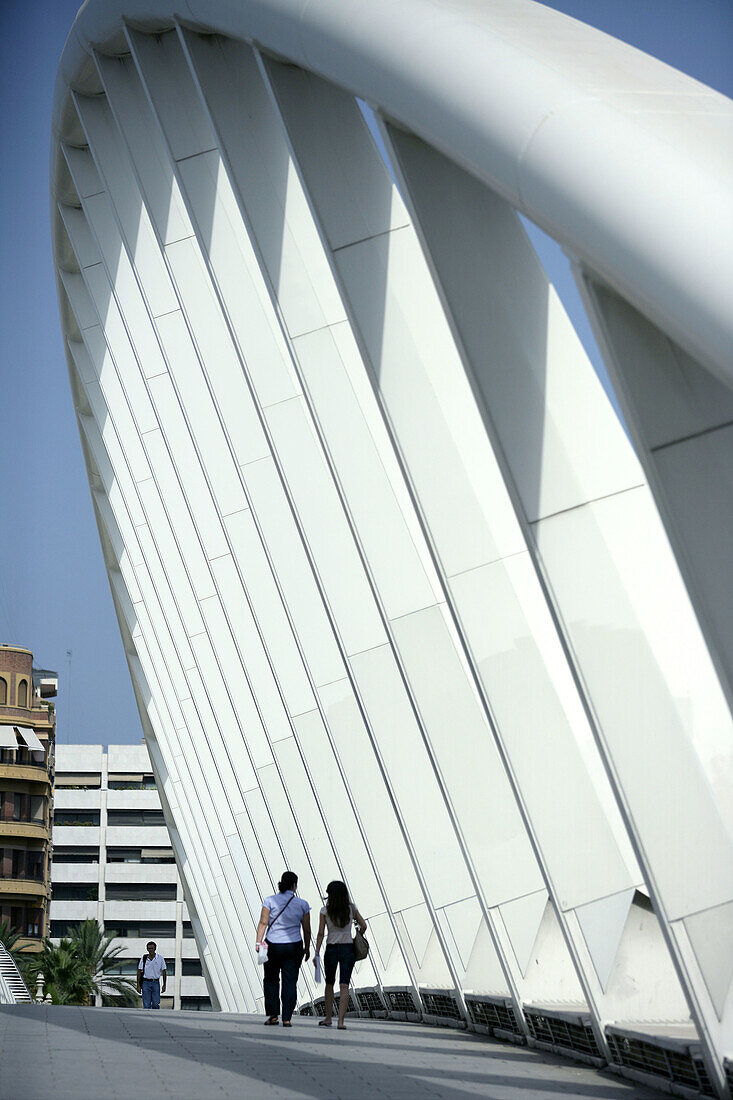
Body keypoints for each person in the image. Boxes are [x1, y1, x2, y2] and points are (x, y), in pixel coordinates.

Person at [256, 871, 311, 1027]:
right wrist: (307, 948)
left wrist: (258, 943)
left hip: (272, 945)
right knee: (290, 981)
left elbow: (263, 923)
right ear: (294, 885)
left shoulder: (269, 901)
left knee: (271, 980)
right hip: (294, 946)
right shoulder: (303, 904)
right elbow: (307, 930)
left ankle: (273, 1015)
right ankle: (287, 1018)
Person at [314, 880, 366, 1029]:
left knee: (329, 983)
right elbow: (363, 925)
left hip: (331, 948)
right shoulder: (351, 909)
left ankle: (328, 1018)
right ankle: (341, 1021)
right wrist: (357, 936)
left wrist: (317, 951)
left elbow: (320, 933)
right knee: (344, 985)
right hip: (348, 948)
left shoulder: (325, 911)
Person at [137, 940, 167, 1009]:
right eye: (149, 948)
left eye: (152, 948)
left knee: (155, 1004)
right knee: (146, 1004)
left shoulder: (160, 958)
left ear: (155, 949)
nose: (150, 950)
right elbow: (139, 971)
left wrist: (164, 984)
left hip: (155, 982)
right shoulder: (144, 958)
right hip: (145, 983)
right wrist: (138, 985)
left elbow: (164, 971)